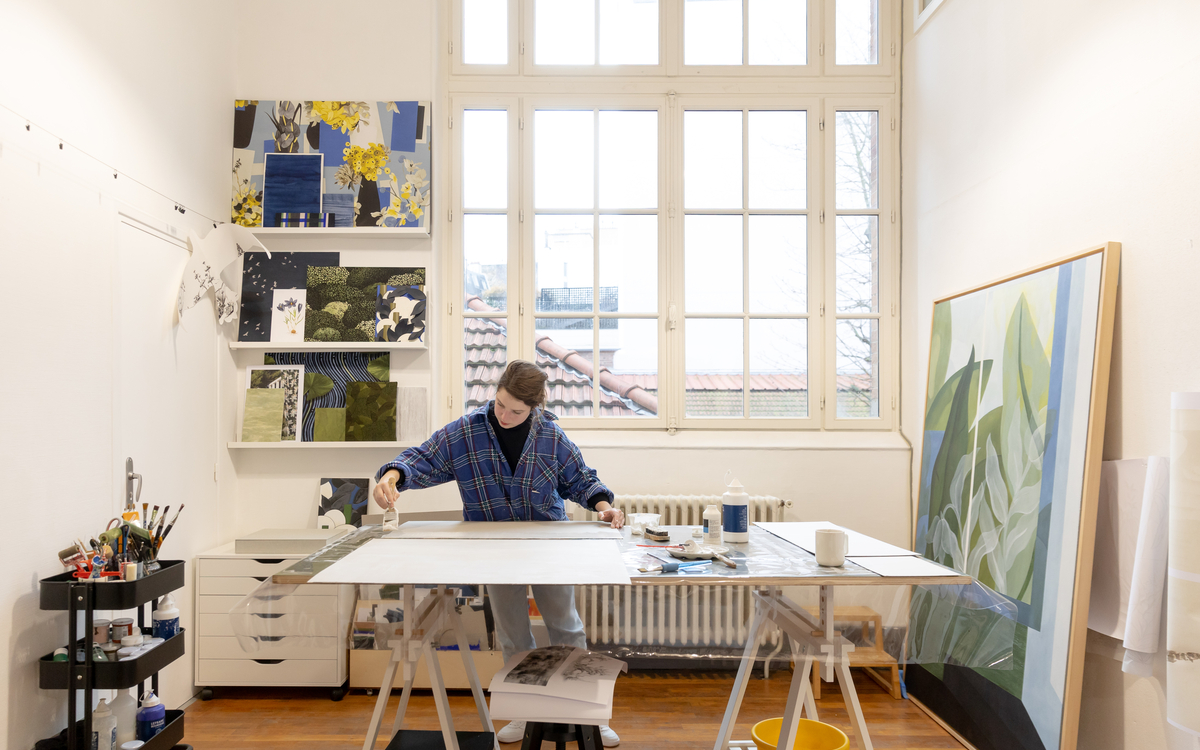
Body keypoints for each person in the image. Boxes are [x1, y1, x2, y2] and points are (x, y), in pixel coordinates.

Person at [373, 360, 624, 747]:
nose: (505, 416)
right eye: (500, 404)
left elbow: (580, 479)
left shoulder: (550, 436)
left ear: (535, 407)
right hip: (493, 550)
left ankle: (586, 712)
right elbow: (422, 458)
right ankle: (525, 710)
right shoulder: (466, 432)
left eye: (516, 411)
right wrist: (391, 477)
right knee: (512, 632)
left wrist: (605, 507)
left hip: (548, 546)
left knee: (566, 627)